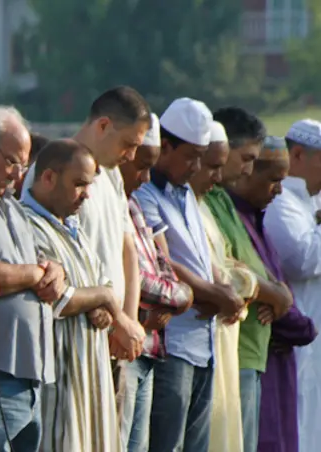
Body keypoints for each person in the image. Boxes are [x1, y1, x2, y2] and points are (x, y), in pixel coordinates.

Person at [134, 98, 243, 452]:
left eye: (201, 157)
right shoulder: (145, 192)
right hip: (175, 341)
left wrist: (221, 288)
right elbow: (165, 263)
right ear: (166, 146)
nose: (196, 166)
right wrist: (214, 294)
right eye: (191, 156)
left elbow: (201, 258)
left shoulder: (186, 194)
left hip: (204, 340)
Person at [0, 106, 66, 451]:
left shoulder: (10, 203)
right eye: (11, 162)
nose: (18, 175)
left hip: (30, 373)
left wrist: (54, 271)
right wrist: (34, 275)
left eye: (23, 166)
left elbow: (37, 262)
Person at [22, 139, 140, 451]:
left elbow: (102, 283)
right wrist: (105, 299)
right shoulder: (25, 225)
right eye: (78, 185)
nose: (87, 195)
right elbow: (60, 299)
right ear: (48, 178)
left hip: (92, 372)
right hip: (60, 379)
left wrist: (102, 301)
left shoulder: (74, 228)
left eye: (88, 185)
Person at [23, 87, 149, 367]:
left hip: (115, 333)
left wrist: (126, 321)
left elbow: (127, 249)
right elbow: (50, 255)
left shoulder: (113, 175)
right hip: (77, 332)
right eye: (128, 144)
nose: (131, 156)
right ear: (103, 125)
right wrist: (111, 315)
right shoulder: (56, 170)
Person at [206, 110, 293, 452]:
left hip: (249, 352)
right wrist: (272, 293)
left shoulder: (221, 199)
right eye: (246, 159)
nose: (246, 169)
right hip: (231, 351)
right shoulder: (211, 200)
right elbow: (230, 270)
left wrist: (272, 292)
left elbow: (252, 270)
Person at [230, 136, 317, 452]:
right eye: (273, 180)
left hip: (276, 351)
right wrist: (286, 308)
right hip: (254, 353)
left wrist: (280, 300)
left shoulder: (257, 218)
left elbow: (278, 288)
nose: (278, 190)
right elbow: (299, 263)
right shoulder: (251, 216)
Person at [117, 113, 194, 452]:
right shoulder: (106, 201)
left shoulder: (131, 201)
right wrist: (179, 298)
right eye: (140, 166)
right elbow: (130, 278)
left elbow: (164, 266)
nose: (145, 177)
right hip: (127, 348)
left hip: (150, 347)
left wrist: (175, 295)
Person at [189, 121, 255, 452]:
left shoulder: (203, 205)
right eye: (211, 167)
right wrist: (238, 283)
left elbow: (226, 261)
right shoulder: (183, 205)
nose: (216, 178)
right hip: (199, 333)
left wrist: (243, 281)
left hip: (223, 333)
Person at [263, 119, 321, 452]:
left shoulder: (311, 203)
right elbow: (301, 258)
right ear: (297, 154)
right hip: (295, 344)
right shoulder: (280, 201)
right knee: (298, 426)